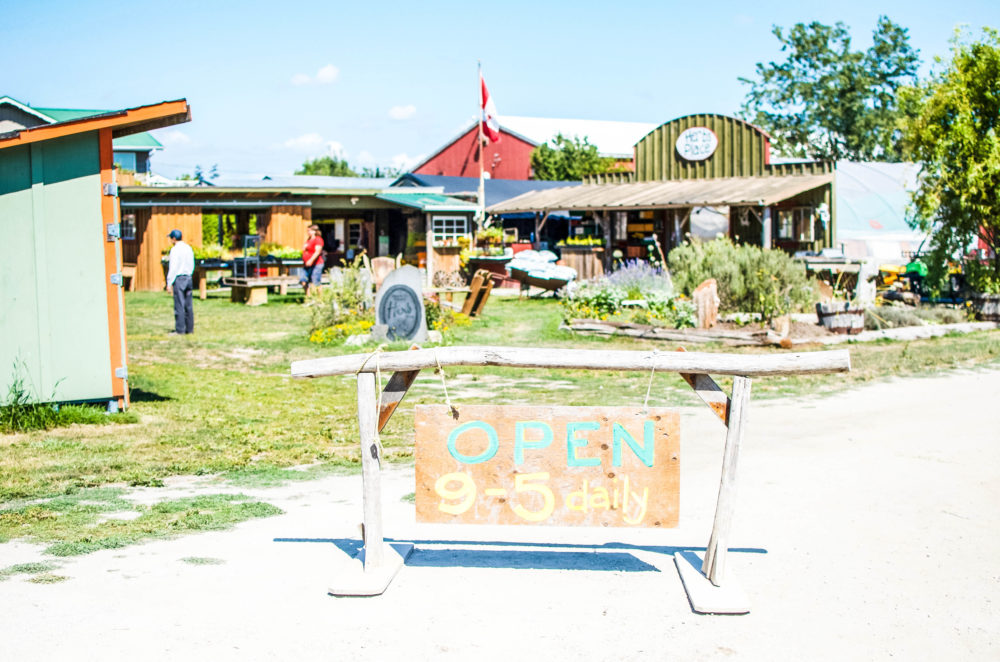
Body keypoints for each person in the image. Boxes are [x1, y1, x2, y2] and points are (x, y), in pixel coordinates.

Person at [165, 229, 194, 334]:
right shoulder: (188, 248)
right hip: (188, 277)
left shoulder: (175, 250)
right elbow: (192, 263)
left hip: (179, 278)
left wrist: (169, 282)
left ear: (174, 238)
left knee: (179, 305)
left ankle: (180, 329)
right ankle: (189, 329)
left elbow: (173, 267)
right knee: (188, 305)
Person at [300, 224, 325, 296]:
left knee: (315, 281)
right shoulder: (308, 240)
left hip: (316, 264)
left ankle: (320, 298)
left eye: (309, 230)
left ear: (314, 231)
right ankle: (308, 297)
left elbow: (317, 251)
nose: (308, 232)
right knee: (303, 280)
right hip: (306, 264)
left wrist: (311, 260)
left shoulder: (318, 239)